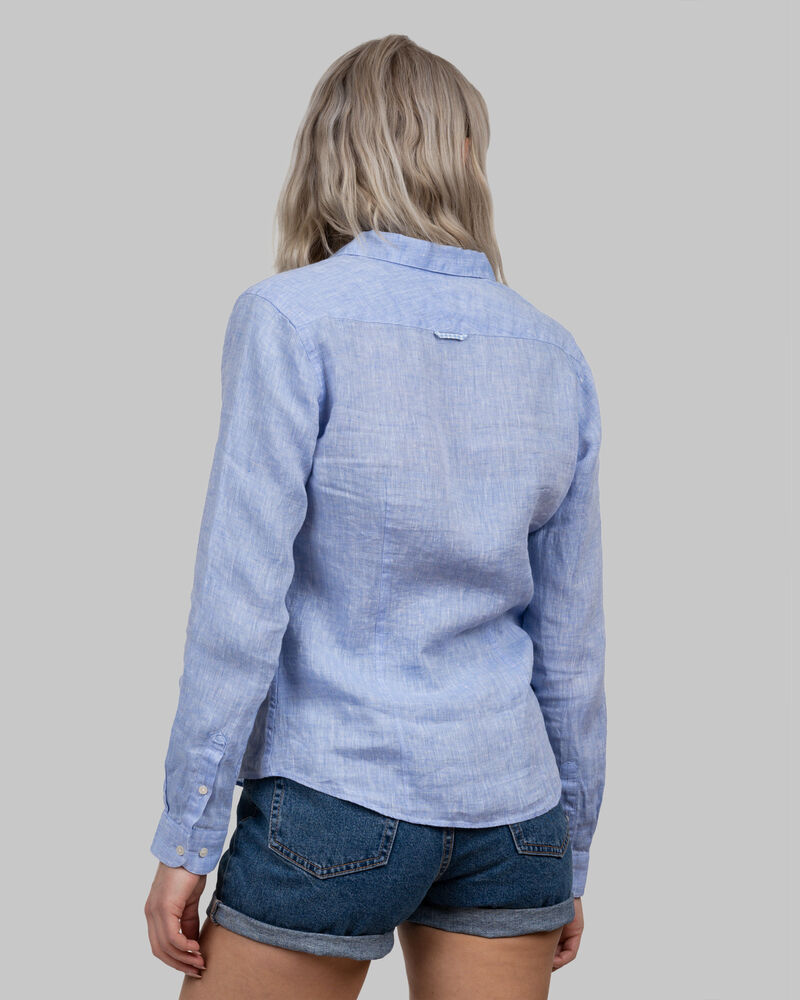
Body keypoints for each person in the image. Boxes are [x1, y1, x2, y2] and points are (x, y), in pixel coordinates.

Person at [144, 33, 607, 1000]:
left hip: (335, 792)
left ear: (329, 152)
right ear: (466, 157)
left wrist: (189, 832)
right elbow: (570, 644)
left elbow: (239, 606)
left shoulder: (290, 319)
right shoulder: (552, 352)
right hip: (513, 813)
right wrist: (569, 847)